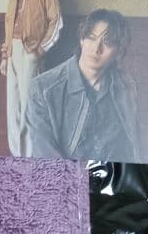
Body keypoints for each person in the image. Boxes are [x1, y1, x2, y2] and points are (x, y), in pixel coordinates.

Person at [25, 9, 139, 161]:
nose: (96, 49)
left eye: (107, 42)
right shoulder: (43, 88)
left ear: (118, 50)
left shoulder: (127, 86)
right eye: (91, 38)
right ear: (81, 40)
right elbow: (45, 153)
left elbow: (132, 147)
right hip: (69, 172)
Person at [1, 0, 62, 157]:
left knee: (28, 106)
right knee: (13, 107)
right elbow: (9, 23)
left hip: (31, 52)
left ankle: (28, 156)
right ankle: (16, 155)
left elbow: (56, 22)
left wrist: (41, 49)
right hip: (13, 51)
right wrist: (5, 55)